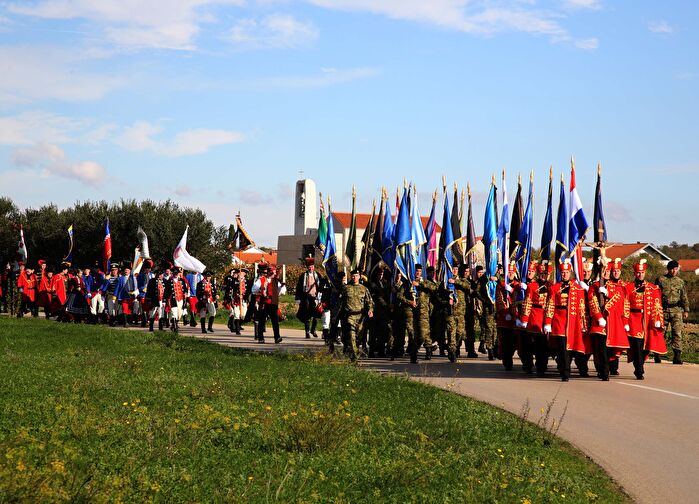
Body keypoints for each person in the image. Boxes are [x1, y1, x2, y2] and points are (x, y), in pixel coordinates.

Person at [544, 259, 588, 381]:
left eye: (567, 272)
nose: (564, 274)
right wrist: (548, 322)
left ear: (570, 273)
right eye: (562, 272)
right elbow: (550, 305)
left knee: (571, 348)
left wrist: (583, 324)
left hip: (573, 321)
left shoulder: (578, 289)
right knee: (562, 348)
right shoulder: (554, 288)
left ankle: (566, 368)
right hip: (559, 320)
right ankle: (565, 372)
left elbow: (582, 307)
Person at [624, 259, 666, 380]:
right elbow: (625, 304)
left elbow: (657, 304)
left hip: (647, 321)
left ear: (645, 273)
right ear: (634, 273)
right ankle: (639, 370)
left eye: (642, 273)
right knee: (636, 347)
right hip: (633, 319)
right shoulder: (628, 287)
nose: (640, 275)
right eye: (638, 273)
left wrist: (658, 319)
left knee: (645, 348)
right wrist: (626, 322)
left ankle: (640, 364)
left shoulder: (652, 288)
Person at [587, 258, 627, 381]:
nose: (606, 273)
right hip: (599, 323)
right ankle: (604, 372)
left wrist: (608, 294)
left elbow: (620, 301)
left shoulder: (617, 287)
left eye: (608, 271)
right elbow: (592, 302)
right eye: (604, 271)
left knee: (610, 349)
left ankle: (608, 368)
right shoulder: (594, 286)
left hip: (613, 323)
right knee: (601, 349)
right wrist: (599, 317)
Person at [519, 261, 551, 376]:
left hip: (546, 317)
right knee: (528, 345)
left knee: (543, 347)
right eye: (542, 274)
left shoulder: (551, 286)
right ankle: (528, 365)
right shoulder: (532, 286)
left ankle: (541, 367)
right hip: (534, 317)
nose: (544, 276)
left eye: (546, 274)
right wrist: (525, 319)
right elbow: (527, 302)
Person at [656, 260, 690, 364]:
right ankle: (657, 354)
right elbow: (655, 295)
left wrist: (686, 309)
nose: (673, 271)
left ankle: (677, 356)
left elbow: (684, 296)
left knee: (677, 333)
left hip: (677, 311)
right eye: (671, 269)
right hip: (663, 310)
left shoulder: (680, 282)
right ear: (668, 269)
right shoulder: (661, 280)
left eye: (675, 269)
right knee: (660, 332)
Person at [341, 268, 374, 361]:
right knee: (351, 336)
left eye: (356, 276)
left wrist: (370, 310)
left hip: (361, 317)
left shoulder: (364, 289)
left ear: (359, 277)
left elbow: (370, 302)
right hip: (350, 316)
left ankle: (353, 351)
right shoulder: (346, 288)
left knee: (358, 338)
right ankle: (355, 357)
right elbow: (340, 303)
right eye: (353, 276)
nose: (354, 277)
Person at [496, 262, 520, 371]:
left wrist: (514, 290)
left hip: (515, 319)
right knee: (505, 343)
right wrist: (505, 313)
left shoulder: (518, 285)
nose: (510, 274)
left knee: (515, 342)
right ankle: (507, 362)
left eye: (512, 272)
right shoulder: (501, 285)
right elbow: (499, 300)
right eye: (509, 272)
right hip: (505, 320)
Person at [252, 266, 286, 344]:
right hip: (264, 303)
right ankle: (261, 338)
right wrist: (262, 290)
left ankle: (277, 337)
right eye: (272, 273)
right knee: (262, 321)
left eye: (274, 273)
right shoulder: (261, 280)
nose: (274, 274)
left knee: (275, 321)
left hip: (273, 303)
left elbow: (280, 292)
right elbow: (253, 290)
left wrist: (281, 286)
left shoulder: (276, 281)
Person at [413, 264, 438, 361]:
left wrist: (419, 284)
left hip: (423, 312)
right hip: (412, 312)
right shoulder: (410, 281)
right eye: (416, 271)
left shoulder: (425, 282)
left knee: (424, 332)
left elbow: (433, 287)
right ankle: (413, 351)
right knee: (414, 334)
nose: (418, 273)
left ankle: (428, 350)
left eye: (420, 271)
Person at [474, 265, 497, 360]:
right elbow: (477, 291)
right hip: (488, 307)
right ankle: (490, 349)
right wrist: (484, 300)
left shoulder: (497, 277)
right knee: (489, 329)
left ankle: (495, 349)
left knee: (495, 329)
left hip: (497, 307)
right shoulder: (483, 279)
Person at [295, 257, 322, 338]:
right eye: (309, 266)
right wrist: (298, 298)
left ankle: (313, 330)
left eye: (312, 266)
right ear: (307, 267)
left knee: (316, 315)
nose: (311, 268)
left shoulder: (317, 275)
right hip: (306, 297)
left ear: (314, 267)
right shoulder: (303, 276)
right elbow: (299, 287)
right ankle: (307, 332)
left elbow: (320, 287)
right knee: (307, 315)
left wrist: (320, 296)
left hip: (315, 297)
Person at [368, 266, 392, 358]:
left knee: (382, 332)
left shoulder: (386, 283)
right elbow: (376, 297)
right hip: (375, 311)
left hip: (383, 312)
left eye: (381, 274)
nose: (380, 276)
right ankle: (371, 351)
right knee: (373, 333)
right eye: (379, 274)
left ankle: (382, 351)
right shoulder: (372, 284)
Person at [164, 267, 187, 332]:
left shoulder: (182, 280)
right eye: (175, 273)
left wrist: (185, 294)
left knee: (179, 314)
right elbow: (166, 291)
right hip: (172, 299)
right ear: (172, 273)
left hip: (181, 299)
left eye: (177, 273)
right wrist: (165, 300)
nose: (176, 274)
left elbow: (185, 289)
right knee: (174, 313)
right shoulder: (169, 281)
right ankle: (175, 327)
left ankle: (174, 325)